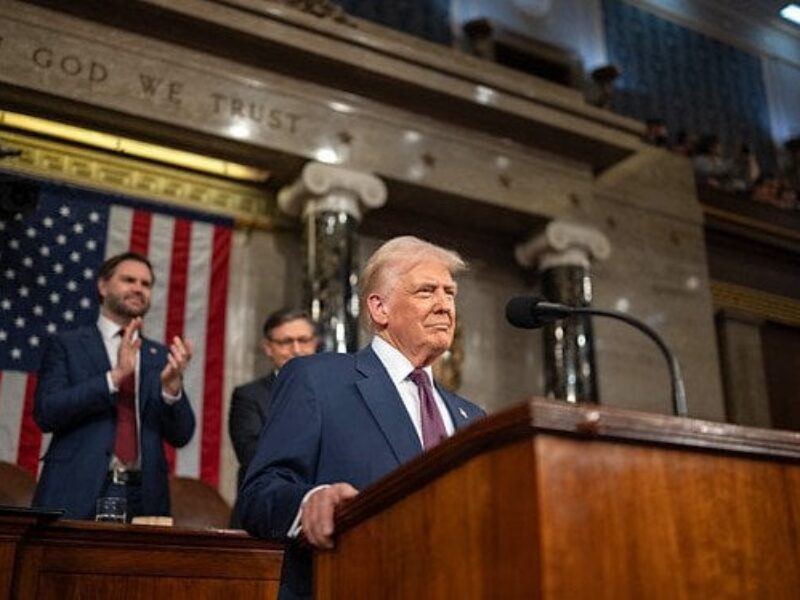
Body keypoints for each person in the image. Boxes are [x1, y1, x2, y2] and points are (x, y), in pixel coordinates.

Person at [238, 236, 485, 600]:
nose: (444, 306)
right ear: (379, 308)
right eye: (426, 291)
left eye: (450, 293)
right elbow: (260, 495)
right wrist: (311, 501)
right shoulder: (317, 380)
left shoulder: (472, 417)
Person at [32, 251, 196, 520]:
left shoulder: (158, 355)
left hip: (144, 496)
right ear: (103, 285)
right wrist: (115, 377)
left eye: (145, 284)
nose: (138, 289)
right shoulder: (68, 344)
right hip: (76, 488)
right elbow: (47, 412)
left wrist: (171, 389)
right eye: (128, 280)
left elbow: (182, 435)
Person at [228, 308, 318, 526]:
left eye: (303, 340)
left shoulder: (334, 394)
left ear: (315, 343)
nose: (296, 349)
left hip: (320, 517)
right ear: (268, 348)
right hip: (263, 519)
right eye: (286, 342)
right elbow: (253, 456)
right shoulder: (248, 396)